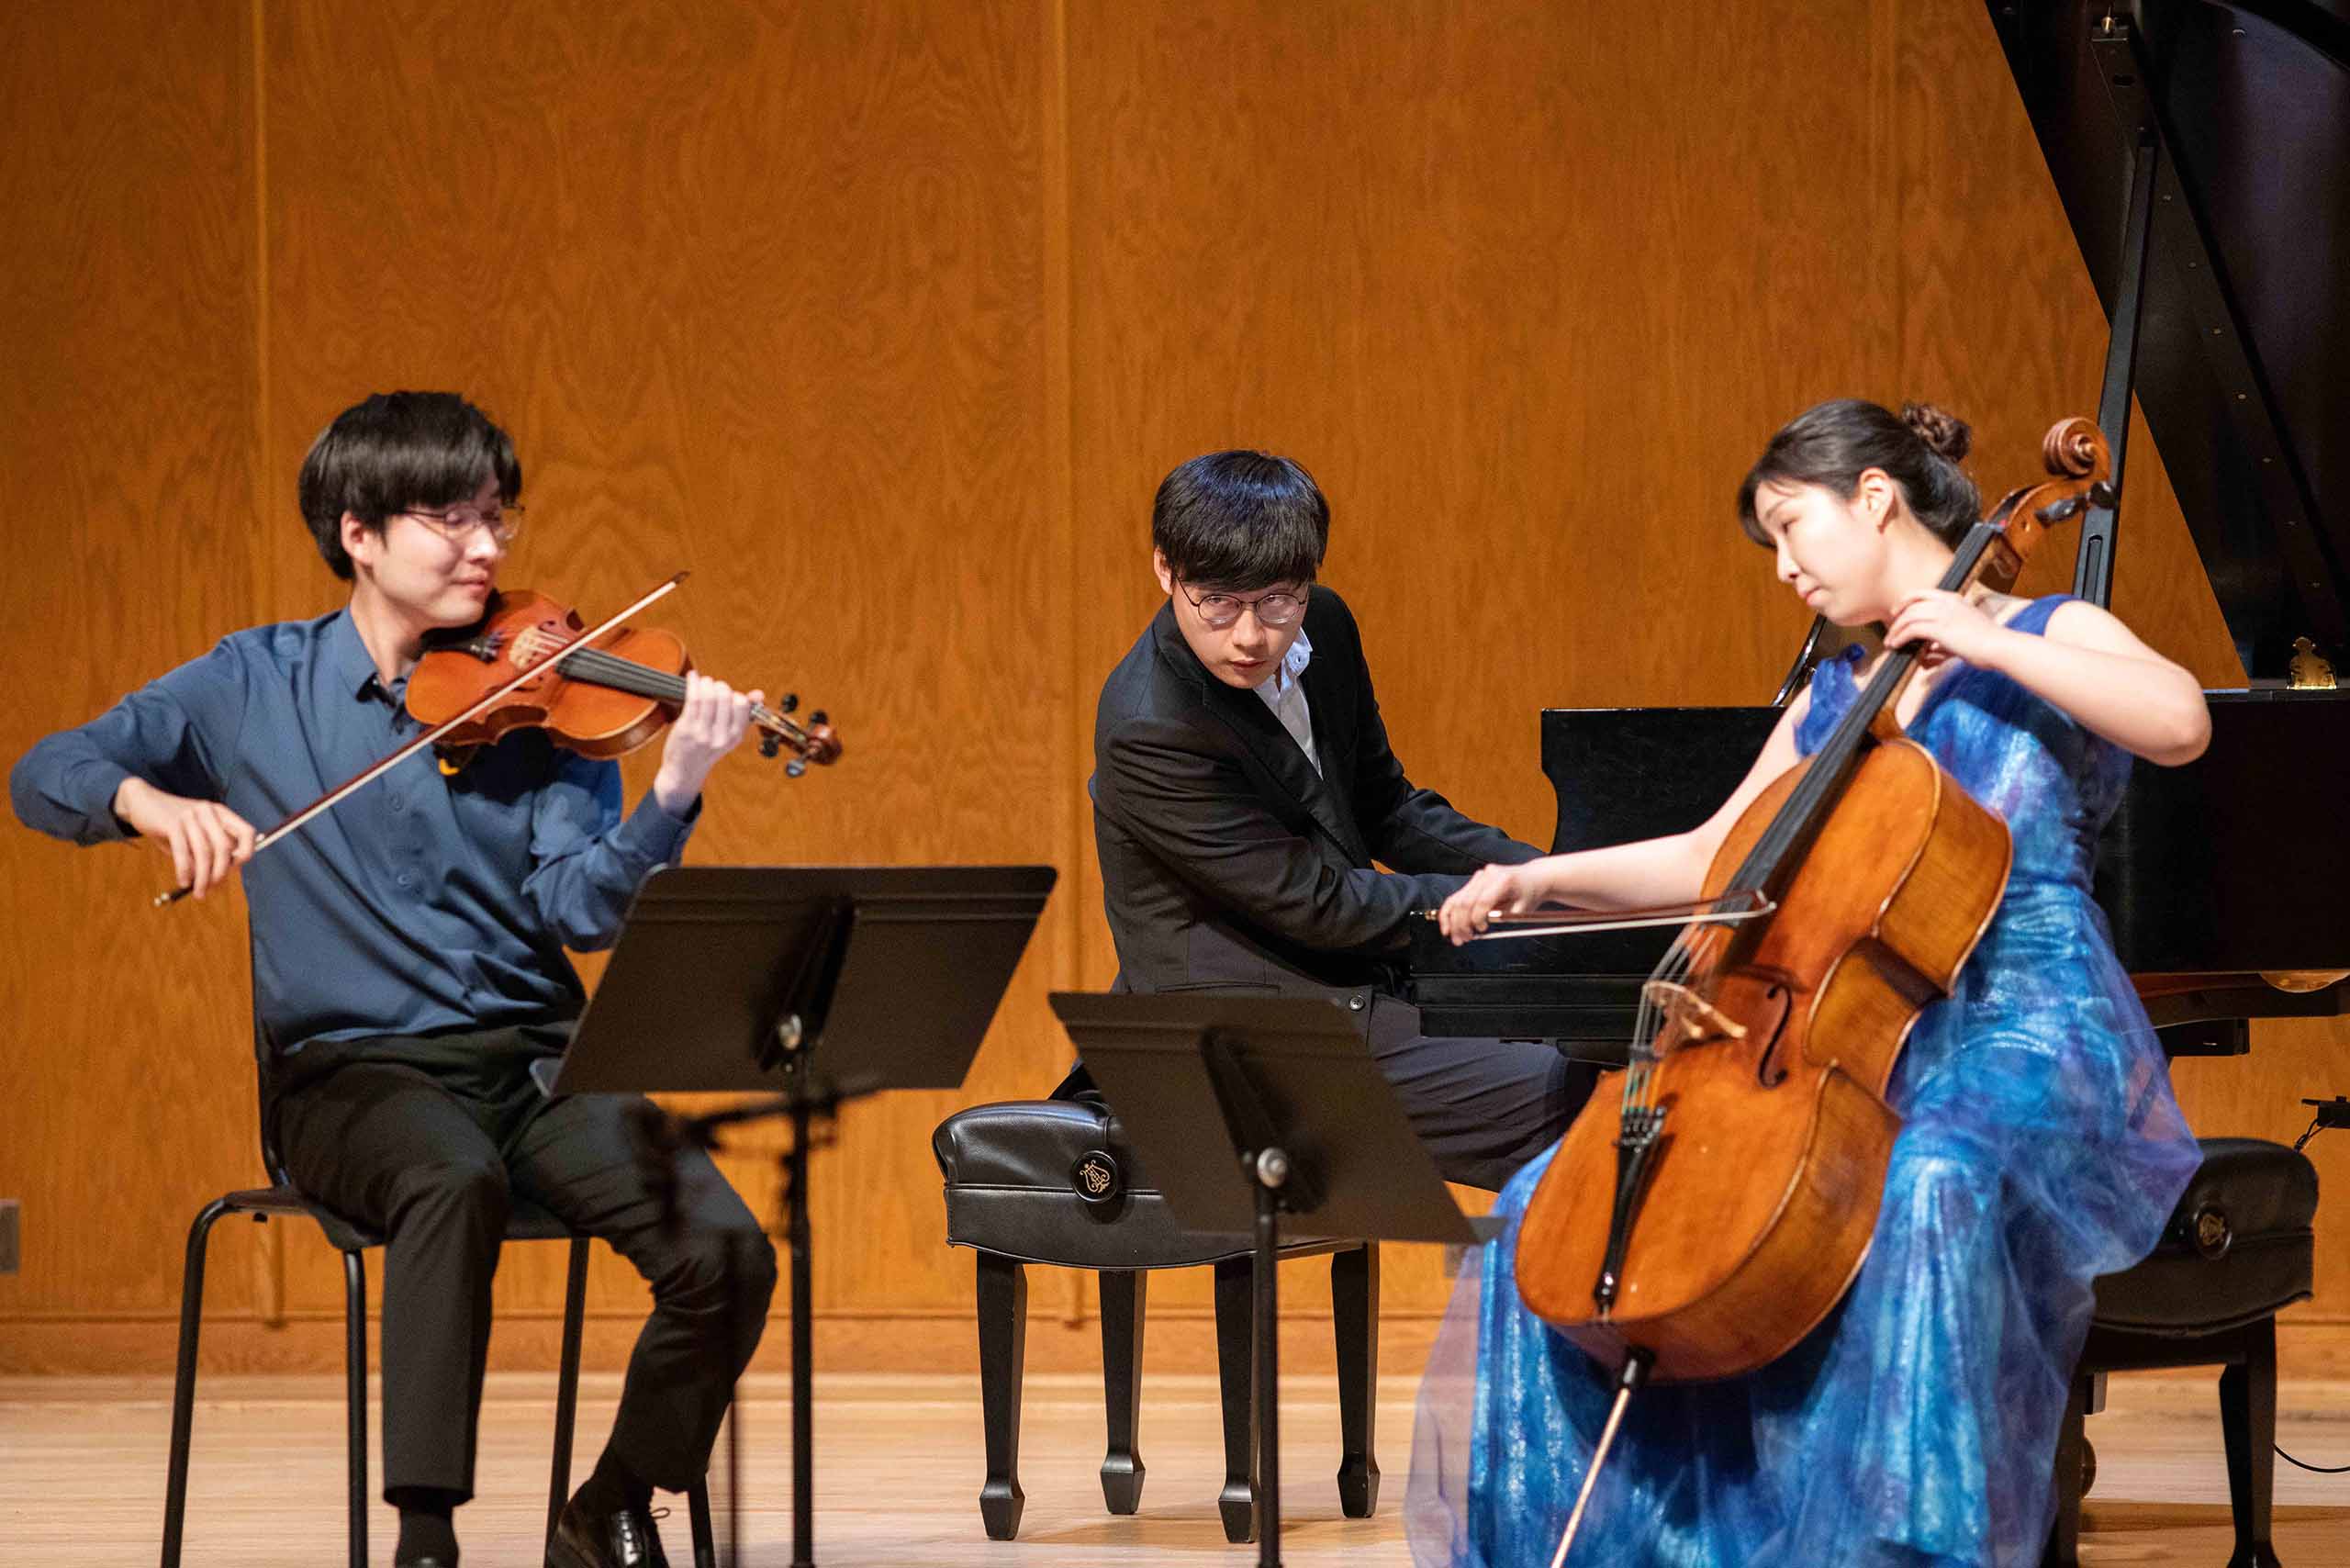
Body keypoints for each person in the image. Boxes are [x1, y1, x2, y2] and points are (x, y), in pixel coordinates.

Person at [1406, 400, 2207, 1566]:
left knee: (1930, 1178)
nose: (1782, 569)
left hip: (2031, 1026)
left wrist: (1985, 641)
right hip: (1851, 1040)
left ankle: (1900, 1545)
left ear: (1876, 498)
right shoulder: (1838, 694)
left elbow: (2180, 720)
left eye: (1792, 529)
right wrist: (1537, 883)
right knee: (1546, 1203)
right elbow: (1709, 858)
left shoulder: (2051, 623)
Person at [11, 392, 777, 1568]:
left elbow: (579, 911)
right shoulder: (251, 684)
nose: (488, 548)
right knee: (448, 1175)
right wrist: (147, 802)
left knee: (723, 1244)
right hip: (347, 1079)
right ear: (358, 532)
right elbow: (46, 769)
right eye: (451, 519)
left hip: (534, 1063)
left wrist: (671, 795)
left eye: (497, 519)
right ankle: (427, 1534)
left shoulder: (548, 692)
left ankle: (612, 1499)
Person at [1073, 448, 1599, 1191]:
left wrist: (1546, 874)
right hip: (1245, 1031)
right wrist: (1507, 905)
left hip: (1348, 976)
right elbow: (1317, 904)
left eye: (1277, 601)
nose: (1251, 635)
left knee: (1614, 1039)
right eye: (1217, 603)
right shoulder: (1150, 726)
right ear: (1166, 570)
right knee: (1580, 1097)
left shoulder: (1326, 626)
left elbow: (1387, 806)